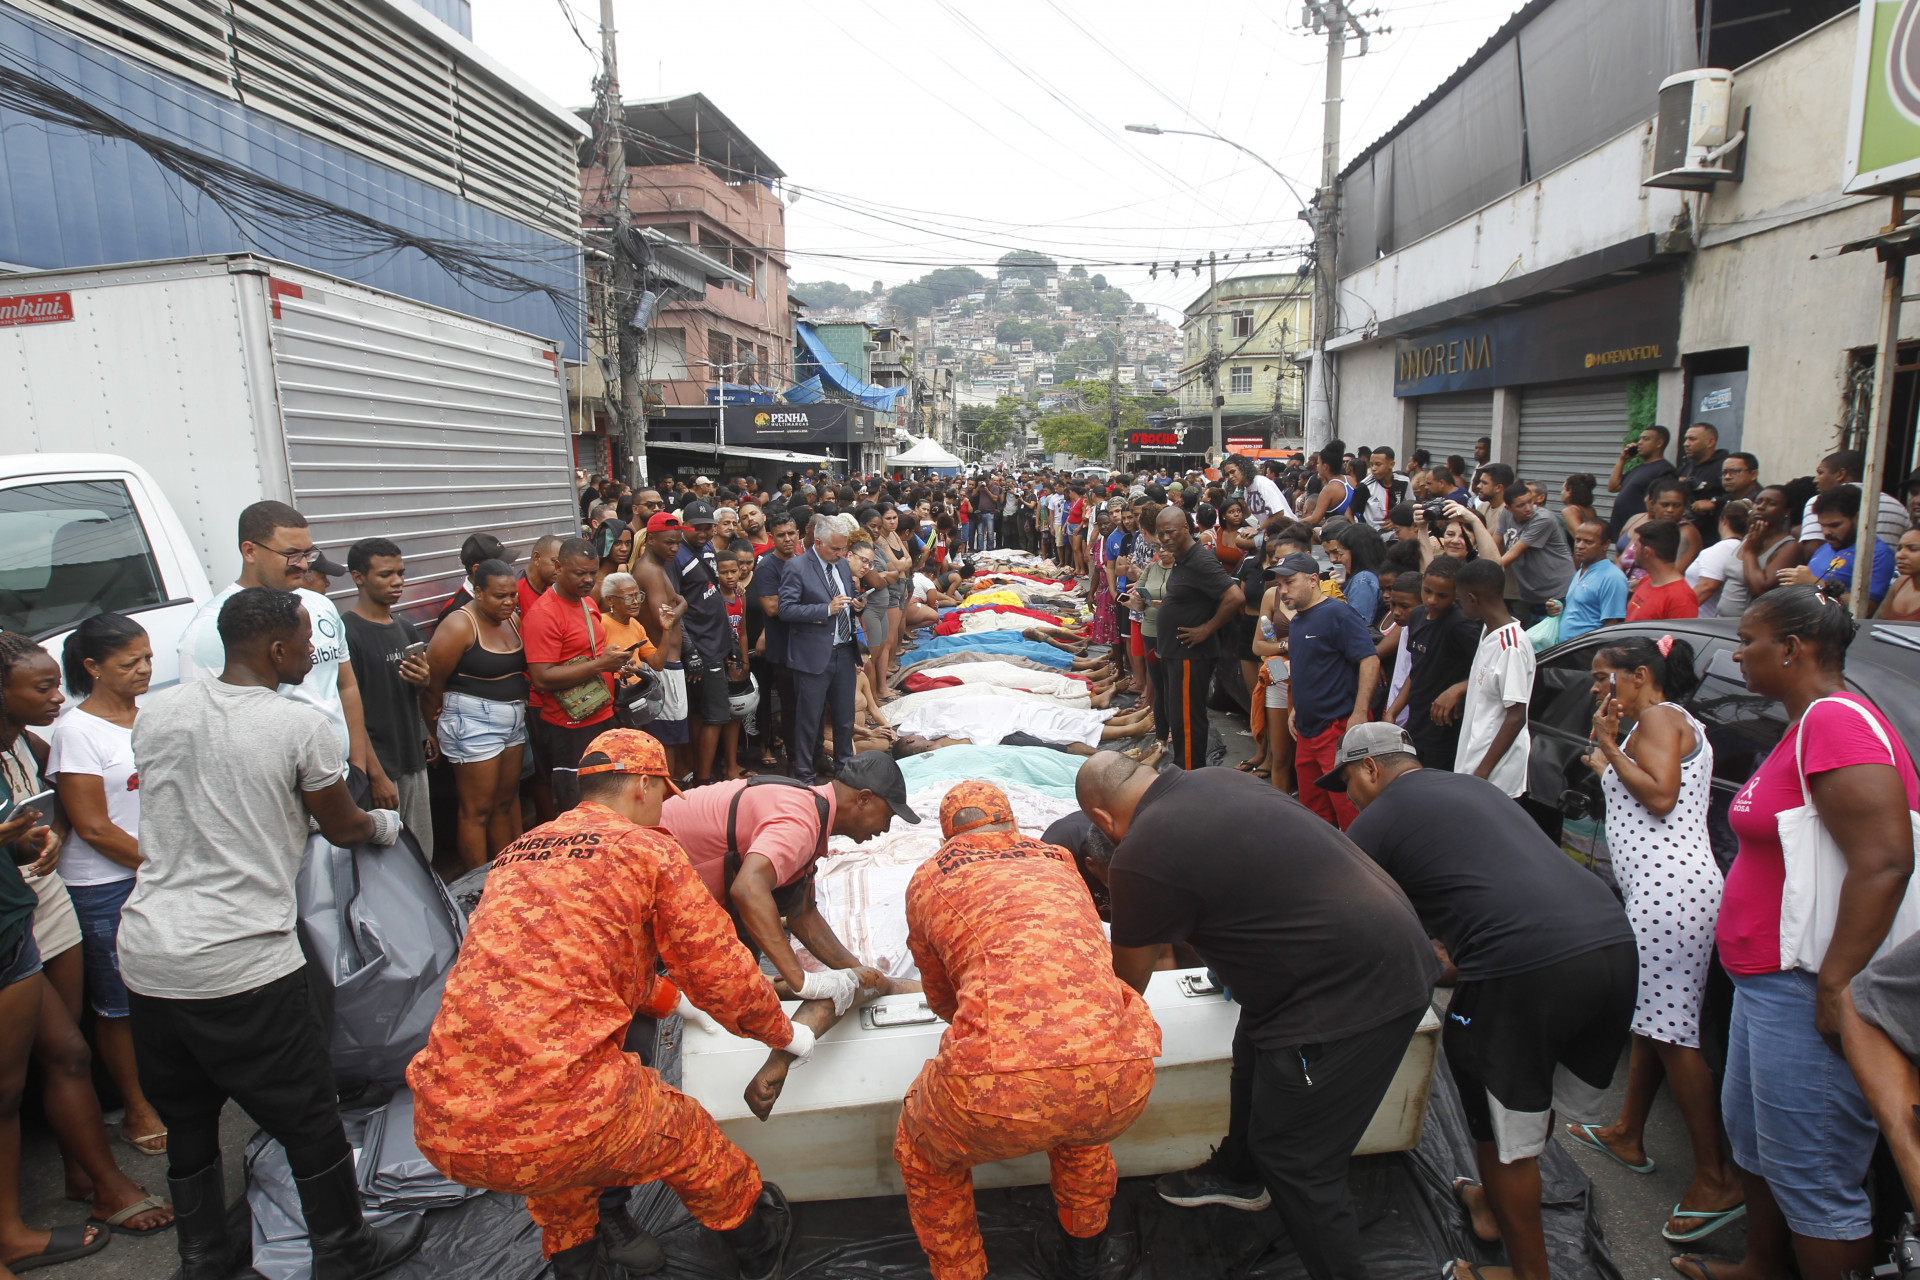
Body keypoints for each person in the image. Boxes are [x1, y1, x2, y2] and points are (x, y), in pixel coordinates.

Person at [407, 731, 807, 1280]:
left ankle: (580, 1261)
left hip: (445, 1121)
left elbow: (570, 965)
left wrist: (671, 1001)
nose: (665, 804)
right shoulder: (648, 850)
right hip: (560, 1112)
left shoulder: (517, 854)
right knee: (688, 1138)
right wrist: (780, 1034)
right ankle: (758, 1246)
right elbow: (722, 973)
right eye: (664, 792)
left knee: (560, 1155)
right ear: (643, 785)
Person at [121, 589, 420, 1280]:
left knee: (189, 1118)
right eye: (303, 642)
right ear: (277, 649)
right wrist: (384, 824)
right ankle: (345, 1252)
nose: (313, 654)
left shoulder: (157, 713)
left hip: (150, 950)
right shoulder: (299, 727)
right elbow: (342, 825)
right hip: (243, 956)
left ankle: (203, 1257)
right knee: (308, 1113)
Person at [1074, 752, 1440, 1280]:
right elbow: (1259, 879)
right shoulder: (1219, 779)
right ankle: (1239, 1173)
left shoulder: (1141, 851)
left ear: (1103, 820)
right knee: (1253, 1041)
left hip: (1354, 994)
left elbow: (1128, 982)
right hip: (1387, 943)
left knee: (1297, 1162)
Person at [1330, 723, 1637, 1280]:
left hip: (1526, 963)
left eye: (1347, 780)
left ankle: (1526, 1273)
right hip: (1611, 940)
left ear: (1371, 768)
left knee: (1501, 1138)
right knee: (1523, 1101)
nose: (1346, 795)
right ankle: (1492, 1206)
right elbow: (1483, 891)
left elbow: (1340, 917)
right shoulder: (1475, 789)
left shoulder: (1380, 816)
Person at [1674, 587, 1919, 1280]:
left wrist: (1837, 983)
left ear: (1793, 648)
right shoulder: (1805, 722)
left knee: (1815, 1175)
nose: (1738, 652)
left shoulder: (1836, 723)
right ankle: (1761, 1266)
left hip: (1804, 985)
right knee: (1759, 1146)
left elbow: (1885, 859)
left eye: (1749, 640)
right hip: (1765, 982)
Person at [892, 783, 1160, 1280]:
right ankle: (1085, 1257)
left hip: (991, 1093)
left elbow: (941, 1000)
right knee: (1082, 1123)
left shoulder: (928, 877)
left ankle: (962, 1272)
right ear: (1010, 821)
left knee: (924, 1153)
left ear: (948, 831)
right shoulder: (1059, 858)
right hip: (1122, 1075)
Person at [1563, 634, 1740, 1243]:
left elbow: (1661, 797)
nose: (1594, 687)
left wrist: (1611, 745)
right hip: (1660, 890)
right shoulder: (1653, 722)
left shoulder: (1661, 717)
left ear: (1641, 675)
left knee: (1673, 1033)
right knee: (1655, 1020)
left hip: (1672, 892)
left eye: (1602, 676)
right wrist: (1607, 752)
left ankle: (1716, 1177)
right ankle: (1629, 1132)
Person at [176, 501, 387, 804]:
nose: (302, 564)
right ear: (249, 551)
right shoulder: (211, 629)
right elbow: (205, 732)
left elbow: (344, 686)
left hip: (343, 782)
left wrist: (358, 768)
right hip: (279, 798)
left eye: (307, 553)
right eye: (290, 554)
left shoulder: (319, 606)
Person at [50, 616, 167, 1155]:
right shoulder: (76, 732)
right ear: (92, 668)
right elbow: (93, 827)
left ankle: (168, 1085)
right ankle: (135, 1106)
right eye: (129, 664)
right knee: (117, 1003)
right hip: (105, 886)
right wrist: (162, 865)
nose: (144, 670)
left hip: (154, 872)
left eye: (147, 658)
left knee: (162, 989)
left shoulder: (149, 718)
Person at [424, 560, 529, 869]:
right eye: (500, 596)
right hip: (473, 723)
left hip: (513, 721)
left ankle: (504, 876)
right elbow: (432, 684)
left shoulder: (512, 620)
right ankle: (476, 886)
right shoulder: (459, 625)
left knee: (503, 803)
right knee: (477, 810)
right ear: (478, 592)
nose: (509, 602)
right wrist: (431, 729)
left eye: (512, 595)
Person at [523, 538, 637, 807]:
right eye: (579, 573)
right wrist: (600, 666)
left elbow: (590, 653)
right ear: (559, 567)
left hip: (602, 717)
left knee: (607, 799)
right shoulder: (543, 614)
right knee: (578, 804)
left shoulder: (588, 603)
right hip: (569, 728)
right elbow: (541, 677)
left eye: (592, 573)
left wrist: (616, 661)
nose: (588, 579)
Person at [342, 538, 435, 854]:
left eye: (400, 573)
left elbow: (415, 691)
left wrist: (423, 681)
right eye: (385, 575)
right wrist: (376, 776)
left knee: (422, 851)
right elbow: (350, 712)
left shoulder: (405, 627)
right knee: (387, 857)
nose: (397, 582)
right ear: (358, 577)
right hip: (380, 767)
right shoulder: (348, 633)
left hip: (412, 760)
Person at [1271, 552, 1376, 829]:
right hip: (1307, 731)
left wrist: (1359, 713)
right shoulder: (1297, 621)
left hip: (1337, 729)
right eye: (1279, 584)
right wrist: (1295, 708)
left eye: (1289, 582)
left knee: (1350, 813)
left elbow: (1369, 659)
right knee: (1314, 813)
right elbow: (1305, 667)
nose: (1283, 591)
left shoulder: (1338, 613)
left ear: (1313, 580)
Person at [1153, 506, 1244, 771]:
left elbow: (1235, 596)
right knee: (1177, 717)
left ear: (1185, 528)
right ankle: (1183, 768)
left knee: (1187, 720)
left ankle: (1190, 775)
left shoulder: (1200, 559)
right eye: (1161, 534)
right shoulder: (1183, 559)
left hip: (1190, 656)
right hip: (1175, 653)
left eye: (1170, 532)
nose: (1165, 539)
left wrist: (1207, 628)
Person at [781, 516, 862, 785]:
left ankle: (844, 770)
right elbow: (786, 609)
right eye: (835, 549)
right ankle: (804, 775)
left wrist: (855, 605)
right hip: (813, 655)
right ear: (818, 542)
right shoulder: (797, 566)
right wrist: (826, 609)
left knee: (844, 718)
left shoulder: (840, 566)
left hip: (843, 650)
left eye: (843, 549)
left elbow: (845, 599)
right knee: (809, 719)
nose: (841, 554)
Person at [1454, 559, 1532, 798]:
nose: (1460, 606)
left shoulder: (1511, 647)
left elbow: (1516, 715)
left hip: (1493, 775)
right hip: (1473, 761)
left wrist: (1483, 771)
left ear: (1473, 599)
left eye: (1460, 600)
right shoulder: (1488, 632)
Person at [1393, 556, 1480, 770]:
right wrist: (1392, 712)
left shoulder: (1461, 625)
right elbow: (1416, 670)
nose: (1432, 600)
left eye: (1442, 595)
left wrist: (1459, 688)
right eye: (1427, 591)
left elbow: (1487, 669)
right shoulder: (1418, 616)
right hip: (1417, 722)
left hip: (1444, 729)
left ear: (1456, 594)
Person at [674, 502, 737, 788]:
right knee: (715, 715)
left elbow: (714, 594)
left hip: (718, 641)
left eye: (707, 527)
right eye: (696, 527)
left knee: (704, 714)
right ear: (685, 526)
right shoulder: (676, 557)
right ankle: (703, 779)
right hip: (702, 647)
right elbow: (675, 608)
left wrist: (730, 638)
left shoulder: (710, 549)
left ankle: (699, 771)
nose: (702, 533)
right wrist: (691, 651)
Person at [1782, 486, 1898, 610]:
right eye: (1822, 525)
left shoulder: (1877, 554)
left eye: (1835, 525)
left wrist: (1815, 584)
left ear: (1859, 518)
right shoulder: (1825, 548)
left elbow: (1866, 607)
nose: (1826, 532)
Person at [750, 515, 802, 772]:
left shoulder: (803, 559)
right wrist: (808, 601)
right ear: (772, 536)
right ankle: (793, 762)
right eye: (781, 535)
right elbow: (771, 608)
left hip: (805, 646)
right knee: (791, 707)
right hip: (782, 649)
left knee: (808, 706)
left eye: (791, 533)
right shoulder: (767, 567)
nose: (788, 539)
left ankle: (808, 757)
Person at [1795, 448, 1911, 552]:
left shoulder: (1822, 501)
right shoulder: (1897, 506)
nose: (1816, 480)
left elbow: (1813, 549)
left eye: (1821, 473)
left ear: (1841, 474)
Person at [1491, 483, 1574, 626]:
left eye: (1530, 501)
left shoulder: (1542, 519)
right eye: (1521, 505)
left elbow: (1512, 554)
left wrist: (1482, 573)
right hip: (1532, 595)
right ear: (1508, 508)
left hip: (1558, 593)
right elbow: (1493, 544)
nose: (1528, 508)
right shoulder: (1506, 515)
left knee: (1552, 642)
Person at [1550, 520, 1631, 643]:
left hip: (1585, 652)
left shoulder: (1612, 577)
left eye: (1588, 542)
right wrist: (1557, 609)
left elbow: (1612, 626)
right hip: (1566, 650)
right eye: (1578, 540)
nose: (1580, 546)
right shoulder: (1582, 570)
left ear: (1606, 545)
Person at [1606, 426, 1677, 541]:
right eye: (1640, 439)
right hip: (1625, 529)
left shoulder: (1664, 469)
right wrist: (1622, 459)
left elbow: (1663, 501)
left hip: (1641, 533)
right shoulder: (1638, 469)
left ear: (1659, 443)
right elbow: (1613, 487)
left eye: (1646, 439)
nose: (1640, 443)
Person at [1627, 520, 1701, 622]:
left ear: (1647, 552)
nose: (1633, 551)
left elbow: (1680, 636)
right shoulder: (1647, 580)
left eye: (1636, 546)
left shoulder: (1681, 599)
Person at [1687, 500, 1751, 618]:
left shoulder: (1724, 548)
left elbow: (1706, 587)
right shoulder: (1741, 547)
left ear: (1724, 520)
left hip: (1698, 621)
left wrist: (1677, 612)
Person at [1323, 522, 1387, 629]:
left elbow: (1355, 625)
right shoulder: (1361, 579)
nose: (1338, 559)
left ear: (1357, 553)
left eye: (1341, 554)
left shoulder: (1363, 581)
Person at [437, 532, 508, 622]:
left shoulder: (507, 597)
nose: (507, 570)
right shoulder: (456, 611)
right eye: (499, 566)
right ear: (477, 569)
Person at [1355, 446, 1410, 532]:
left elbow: (1411, 507)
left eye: (1378, 464)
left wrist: (1397, 521)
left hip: (1399, 531)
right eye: (1371, 464)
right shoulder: (1364, 486)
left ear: (1391, 464)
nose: (1373, 469)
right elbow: (1349, 513)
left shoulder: (1404, 482)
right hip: (1374, 535)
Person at [1875, 526, 1920, 621]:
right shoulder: (1900, 583)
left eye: (1913, 549)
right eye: (1899, 549)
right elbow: (1876, 623)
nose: (1900, 555)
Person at [1560, 474, 1598, 543]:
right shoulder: (1591, 510)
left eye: (1564, 489)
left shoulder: (1569, 511)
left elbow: (1580, 538)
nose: (1561, 492)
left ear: (1570, 491)